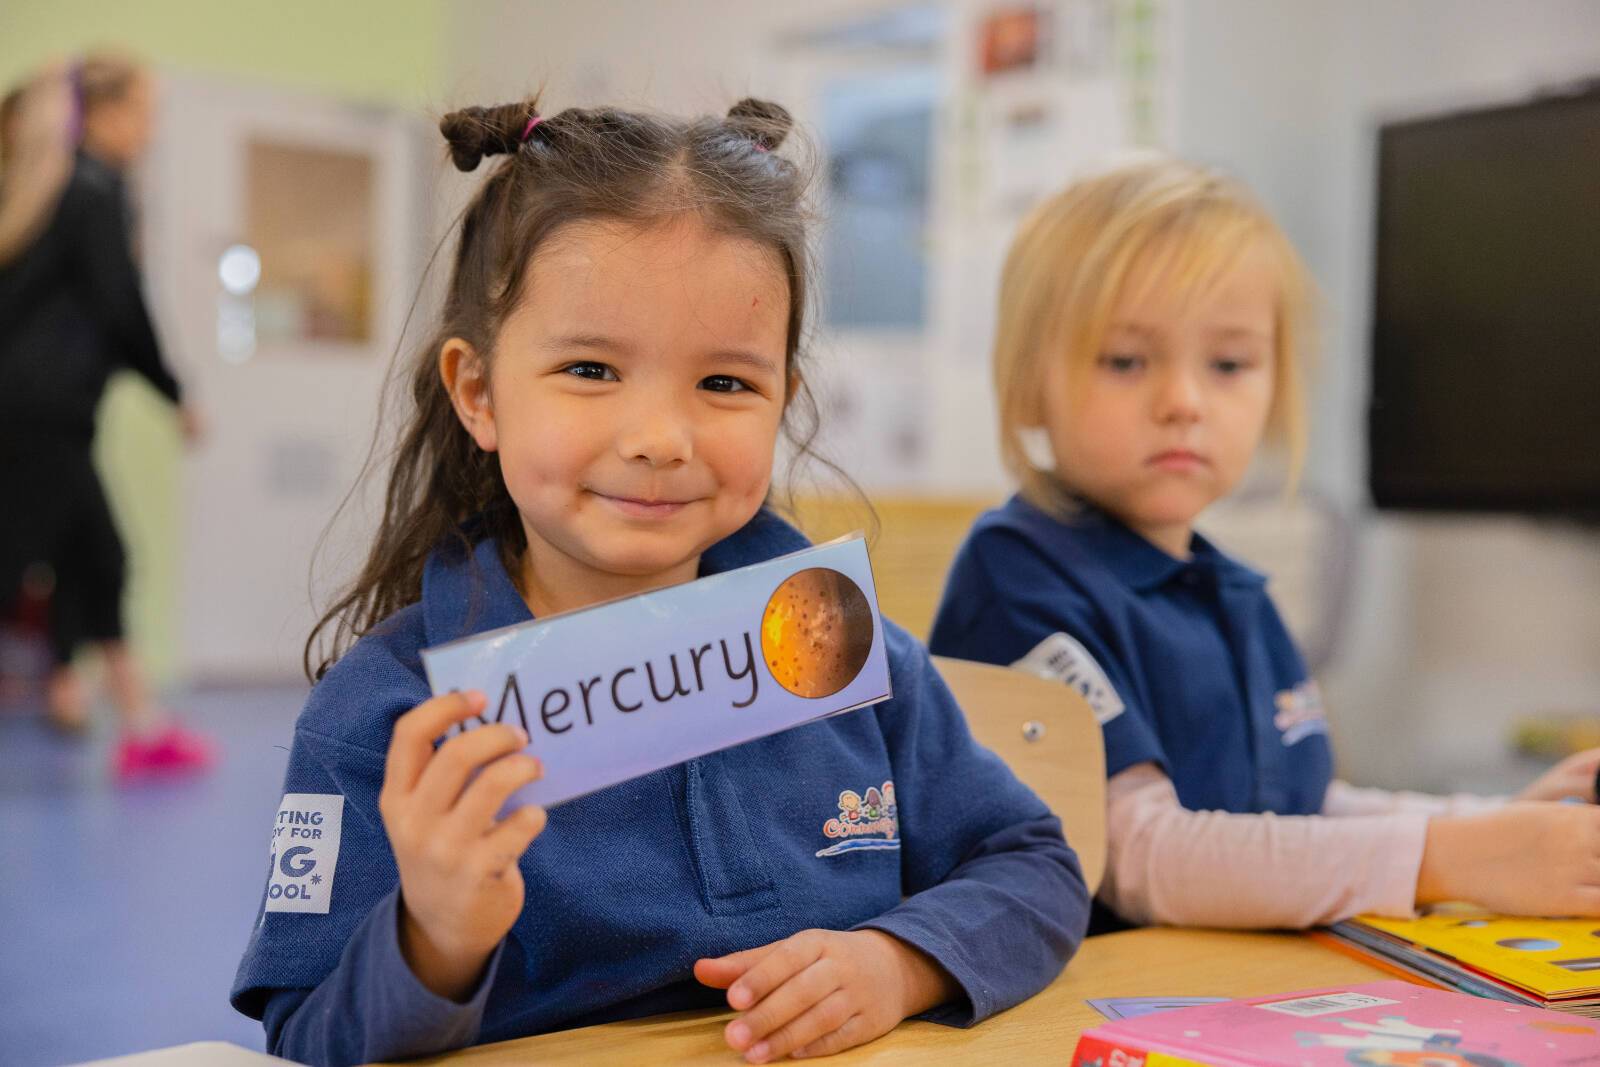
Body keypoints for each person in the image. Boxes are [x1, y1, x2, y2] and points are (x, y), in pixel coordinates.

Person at [230, 96, 1089, 1066]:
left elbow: (1034, 863)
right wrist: (435, 936)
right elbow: (306, 1032)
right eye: (591, 369)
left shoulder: (843, 651)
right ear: (478, 392)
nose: (659, 439)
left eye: (725, 383)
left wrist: (898, 963)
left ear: (782, 400)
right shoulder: (390, 716)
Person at [929, 157, 1600, 933]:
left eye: (1228, 363)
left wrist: (1491, 825)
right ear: (1026, 384)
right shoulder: (1017, 577)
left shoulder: (1234, 592)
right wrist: (1452, 855)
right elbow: (1143, 857)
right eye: (1125, 360)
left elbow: (1294, 812)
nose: (1183, 401)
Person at [0, 52, 210, 778]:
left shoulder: (45, 185)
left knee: (87, 557)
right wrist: (175, 392)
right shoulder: (96, 188)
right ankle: (140, 723)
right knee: (71, 558)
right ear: (108, 114)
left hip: (32, 410)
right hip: (46, 412)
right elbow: (121, 307)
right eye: (145, 114)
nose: (150, 132)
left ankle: (125, 717)